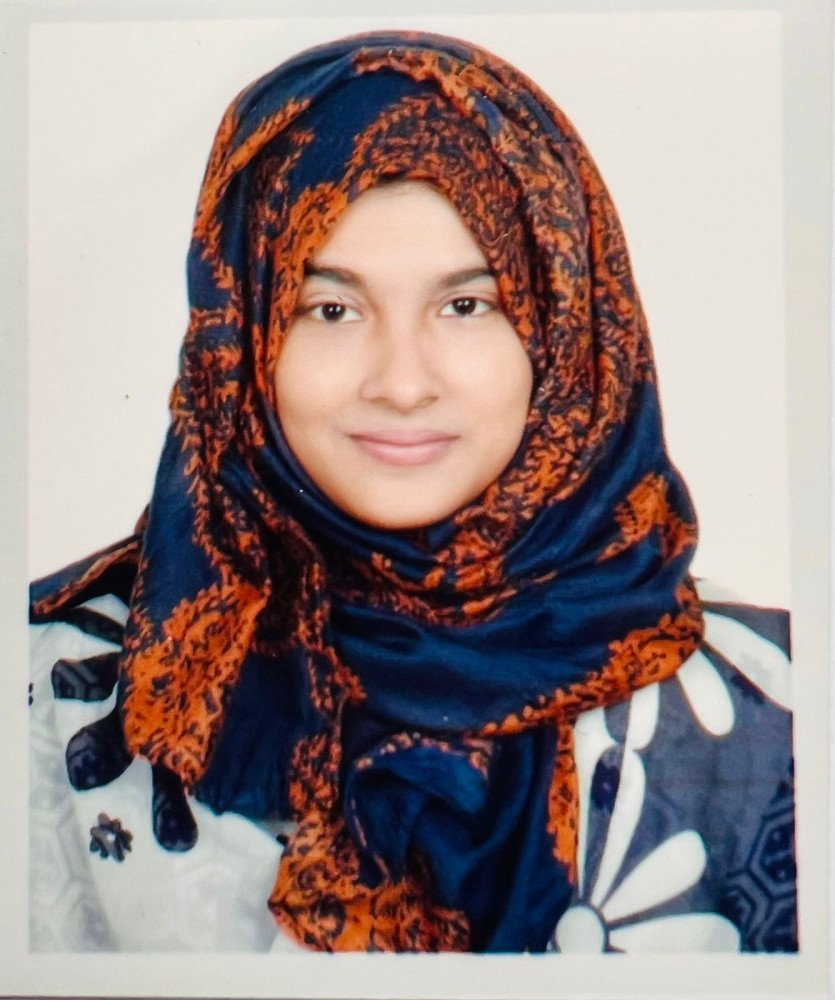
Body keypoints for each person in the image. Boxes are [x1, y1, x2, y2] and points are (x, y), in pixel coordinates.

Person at [28, 29, 796, 953]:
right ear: (241, 336)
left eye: (466, 305)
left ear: (564, 331)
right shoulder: (52, 693)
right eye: (330, 309)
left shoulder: (777, 709)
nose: (400, 382)